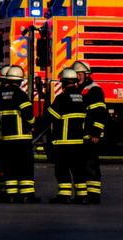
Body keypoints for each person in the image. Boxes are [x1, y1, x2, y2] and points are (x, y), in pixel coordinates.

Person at [0, 65, 38, 203]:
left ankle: (11, 195)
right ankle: (27, 195)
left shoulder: (0, 97)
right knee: (25, 167)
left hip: (6, 139)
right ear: (20, 81)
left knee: (10, 168)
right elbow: (29, 114)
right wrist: (32, 124)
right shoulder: (21, 95)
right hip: (22, 139)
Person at [34, 67, 87, 204]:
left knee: (62, 169)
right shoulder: (82, 98)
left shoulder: (62, 98)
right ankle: (81, 196)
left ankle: (64, 195)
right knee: (78, 169)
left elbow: (49, 118)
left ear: (63, 83)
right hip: (79, 143)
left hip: (64, 142)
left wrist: (35, 130)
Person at [73, 60, 107, 204]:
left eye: (80, 74)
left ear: (87, 75)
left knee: (91, 165)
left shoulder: (94, 90)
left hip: (91, 136)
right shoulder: (78, 90)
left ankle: (94, 195)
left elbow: (99, 113)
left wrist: (96, 133)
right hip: (80, 135)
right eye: (76, 74)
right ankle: (83, 195)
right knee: (81, 165)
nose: (77, 77)